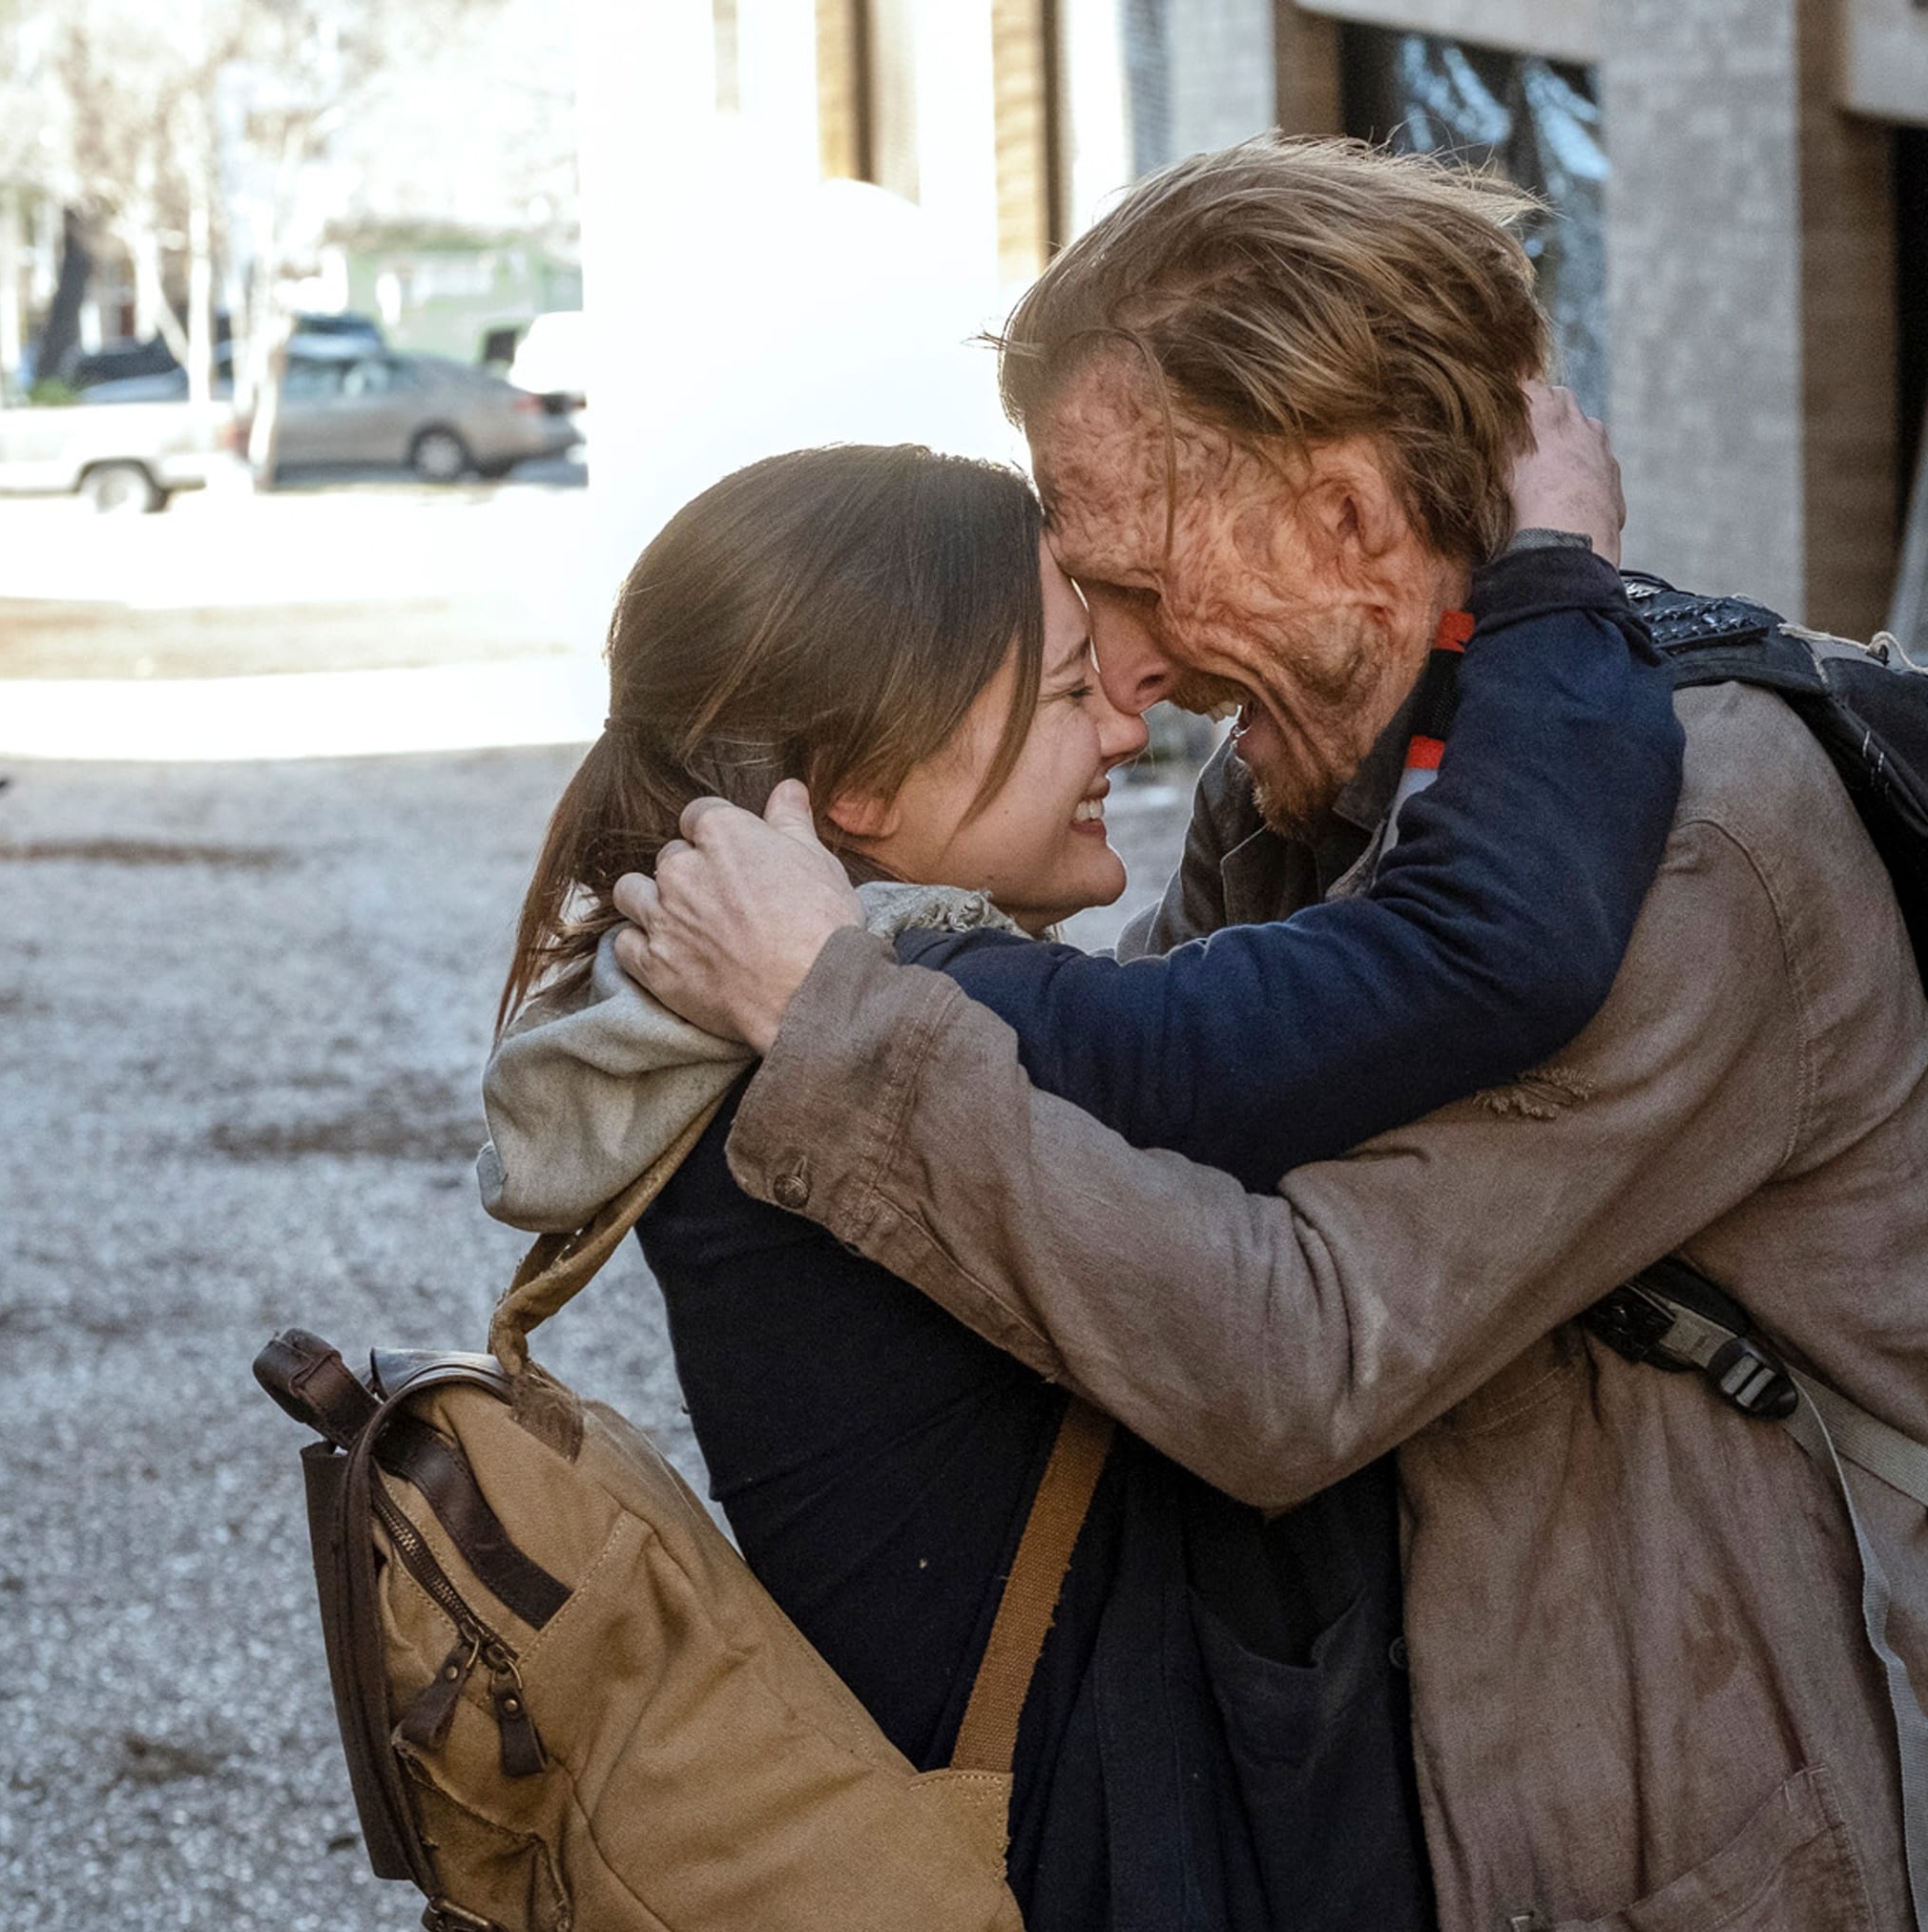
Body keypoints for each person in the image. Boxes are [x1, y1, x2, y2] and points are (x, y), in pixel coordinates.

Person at [609, 139, 1928, 1931]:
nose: (1123, 668)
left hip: (1771, 1850)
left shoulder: (1690, 847)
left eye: (1135, 585)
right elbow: (1125, 1117)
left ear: (1341, 522)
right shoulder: (1319, 794)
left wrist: (838, 1023)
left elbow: (1290, 1357)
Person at [479, 415, 1676, 1932]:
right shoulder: (917, 1014)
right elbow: (1482, 948)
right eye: (1064, 691)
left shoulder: (735, 1025)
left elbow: (1212, 1014)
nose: (1123, 724)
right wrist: (1557, 570)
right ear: (859, 786)